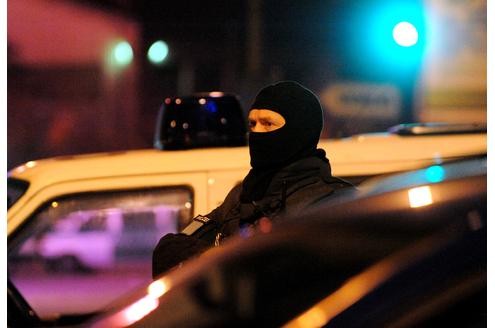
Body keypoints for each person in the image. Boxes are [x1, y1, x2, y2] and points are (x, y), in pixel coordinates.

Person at [152, 81, 354, 278]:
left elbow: (290, 279)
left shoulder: (336, 204)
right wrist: (220, 260)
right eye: (252, 124)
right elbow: (170, 250)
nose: (257, 133)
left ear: (298, 131)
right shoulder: (242, 195)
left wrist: (216, 261)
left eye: (267, 124)